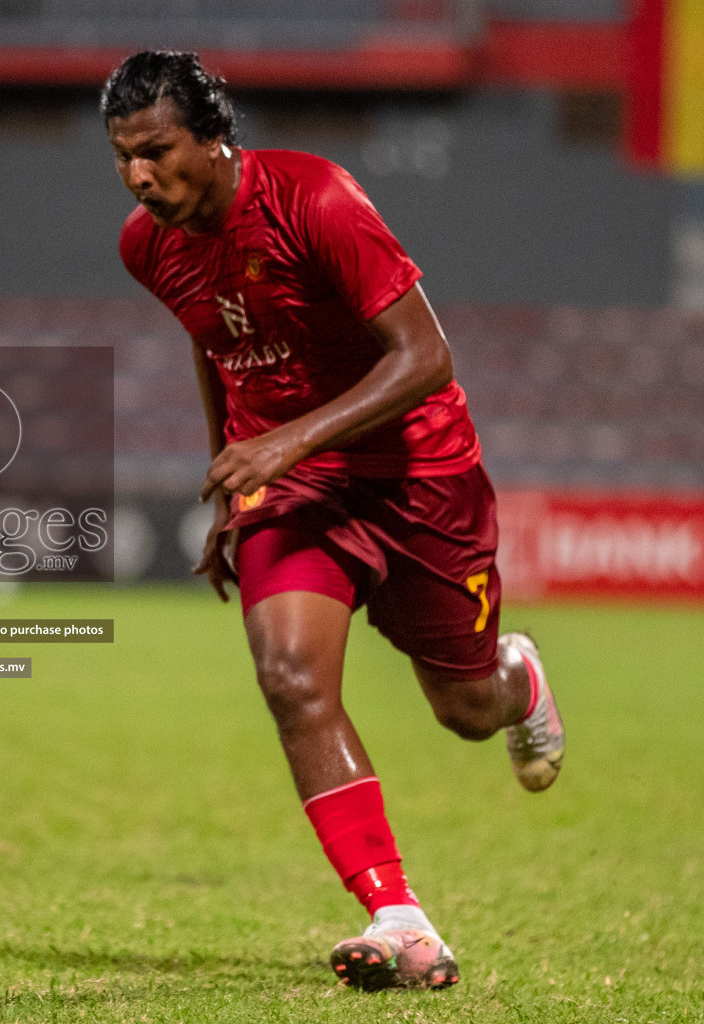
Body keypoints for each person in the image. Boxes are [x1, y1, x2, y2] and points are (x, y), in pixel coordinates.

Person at [101, 52, 562, 991]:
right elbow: (215, 338)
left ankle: (518, 679)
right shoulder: (146, 247)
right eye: (122, 158)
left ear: (213, 139)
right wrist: (238, 472)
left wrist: (282, 443)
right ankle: (400, 919)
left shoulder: (316, 199)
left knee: (464, 709)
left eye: (156, 151)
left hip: (419, 473)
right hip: (295, 486)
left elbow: (426, 357)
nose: (139, 175)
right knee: (289, 677)